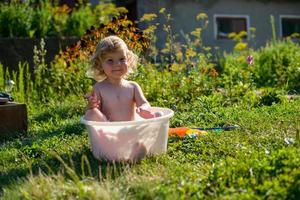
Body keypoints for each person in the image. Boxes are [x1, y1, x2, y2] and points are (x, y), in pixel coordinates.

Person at [84, 35, 162, 122]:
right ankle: (103, 134)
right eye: (110, 60)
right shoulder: (99, 88)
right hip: (110, 131)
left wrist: (143, 108)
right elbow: (95, 112)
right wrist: (91, 105)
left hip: (131, 128)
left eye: (122, 59)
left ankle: (153, 131)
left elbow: (144, 103)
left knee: (159, 115)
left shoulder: (133, 87)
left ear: (128, 60)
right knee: (91, 114)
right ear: (100, 64)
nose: (117, 64)